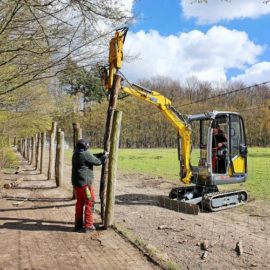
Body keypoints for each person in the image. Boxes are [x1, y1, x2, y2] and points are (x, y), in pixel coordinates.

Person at [72, 139, 108, 233]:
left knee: (79, 203)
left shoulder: (76, 153)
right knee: (90, 202)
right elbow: (98, 162)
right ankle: (88, 225)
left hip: (77, 184)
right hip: (85, 185)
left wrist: (100, 154)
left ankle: (78, 225)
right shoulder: (85, 154)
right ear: (85, 147)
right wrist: (104, 157)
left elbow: (90, 157)